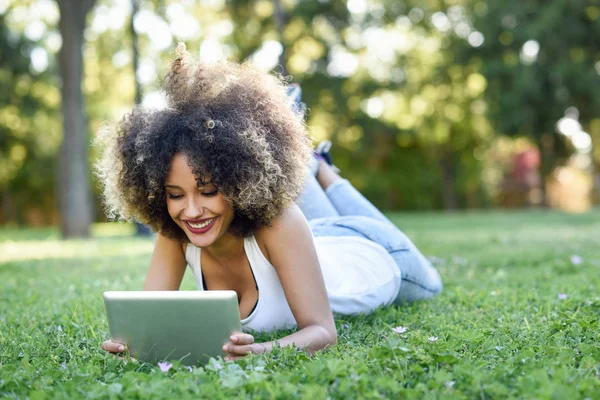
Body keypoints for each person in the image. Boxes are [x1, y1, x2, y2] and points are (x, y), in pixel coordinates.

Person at [96, 44, 442, 361]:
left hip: (374, 255)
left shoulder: (280, 221)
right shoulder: (177, 230)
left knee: (434, 281)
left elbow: (323, 331)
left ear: (237, 180)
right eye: (175, 195)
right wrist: (131, 345)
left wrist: (259, 351)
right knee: (286, 189)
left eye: (208, 190)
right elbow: (149, 319)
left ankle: (319, 166)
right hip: (314, 241)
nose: (191, 210)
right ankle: (314, 162)